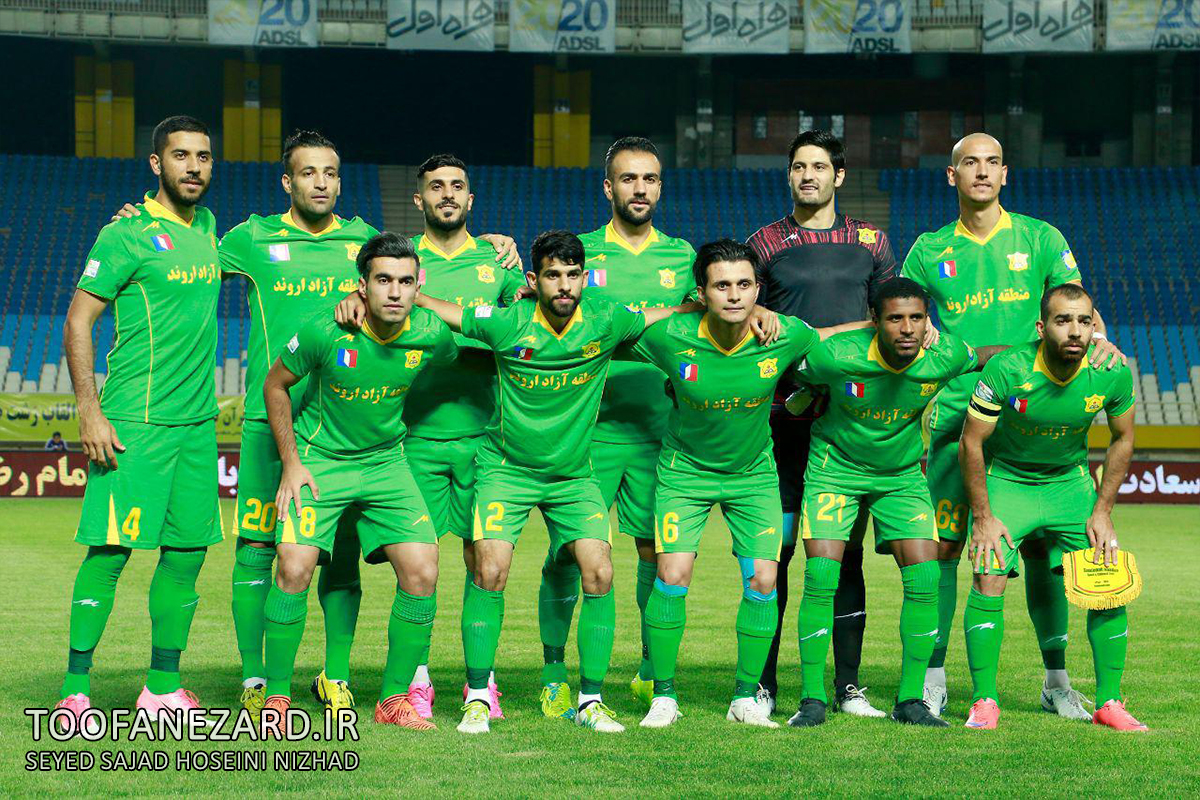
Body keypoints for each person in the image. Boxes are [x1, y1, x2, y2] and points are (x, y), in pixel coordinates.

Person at [116, 137, 520, 720]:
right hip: (276, 423)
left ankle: (339, 677)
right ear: (288, 181)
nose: (321, 182)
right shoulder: (248, 238)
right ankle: (259, 681)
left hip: (361, 432)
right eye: (308, 172)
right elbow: (187, 258)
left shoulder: (364, 241)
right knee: (262, 552)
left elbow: (412, 275)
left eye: (331, 172)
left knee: (345, 557)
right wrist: (144, 218)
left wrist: (498, 245)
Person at [413, 230, 748, 734]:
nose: (564, 285)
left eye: (573, 275)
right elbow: (452, 313)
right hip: (507, 470)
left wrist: (719, 309)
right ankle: (478, 696)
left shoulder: (605, 319)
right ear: (534, 280)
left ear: (585, 278)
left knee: (600, 571)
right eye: (553, 275)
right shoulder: (507, 321)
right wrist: (410, 296)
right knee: (490, 569)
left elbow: (661, 315)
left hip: (573, 476)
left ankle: (590, 700)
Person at [902, 133, 1124, 719]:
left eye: (992, 162)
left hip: (1031, 413)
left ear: (1006, 174)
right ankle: (934, 677)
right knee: (947, 548)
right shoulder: (928, 249)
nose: (982, 171)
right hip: (957, 415)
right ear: (952, 176)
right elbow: (907, 320)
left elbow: (1078, 306)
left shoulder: (1041, 238)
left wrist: (1101, 338)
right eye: (969, 163)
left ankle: (1056, 682)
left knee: (1048, 550)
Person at [628, 239, 859, 730]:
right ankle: (663, 696)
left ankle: (744, 697)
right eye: (722, 286)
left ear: (758, 290)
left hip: (753, 476)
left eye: (744, 285)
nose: (734, 295)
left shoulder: (783, 334)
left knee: (764, 580)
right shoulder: (670, 336)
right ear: (701, 292)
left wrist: (897, 327)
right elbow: (605, 326)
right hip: (684, 474)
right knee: (672, 575)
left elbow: (833, 335)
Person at [56, 116, 222, 729]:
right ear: (157, 163)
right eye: (181, 156)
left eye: (203, 156)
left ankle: (162, 689)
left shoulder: (209, 228)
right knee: (109, 553)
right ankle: (76, 690)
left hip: (196, 427)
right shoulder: (124, 233)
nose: (194, 167)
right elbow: (78, 321)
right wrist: (89, 409)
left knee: (186, 556)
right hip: (135, 421)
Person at [260, 232, 457, 731]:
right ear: (362, 286)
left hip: (386, 464)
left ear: (419, 286)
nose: (395, 291)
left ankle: (393, 700)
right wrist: (291, 463)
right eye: (383, 280)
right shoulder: (325, 330)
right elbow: (275, 385)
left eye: (405, 282)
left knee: (423, 570)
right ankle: (277, 697)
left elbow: (459, 362)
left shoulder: (431, 333)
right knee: (293, 567)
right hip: (320, 461)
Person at [787, 278, 1002, 729]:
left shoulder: (943, 355)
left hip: (901, 476)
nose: (907, 328)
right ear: (875, 320)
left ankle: (910, 701)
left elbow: (986, 355)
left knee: (925, 577)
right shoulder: (837, 355)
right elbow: (795, 372)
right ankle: (812, 700)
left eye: (916, 318)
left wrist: (1054, 347)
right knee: (821, 575)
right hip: (834, 470)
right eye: (895, 318)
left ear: (927, 321)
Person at [539, 136, 698, 713]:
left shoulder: (682, 257)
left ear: (660, 186)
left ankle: (649, 671)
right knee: (569, 553)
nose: (639, 188)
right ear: (608, 187)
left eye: (649, 178)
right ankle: (555, 672)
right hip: (587, 433)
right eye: (628, 178)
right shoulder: (578, 254)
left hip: (658, 432)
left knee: (655, 553)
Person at [746, 130, 900, 716]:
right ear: (789, 175)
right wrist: (760, 311)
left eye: (818, 167)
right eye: (798, 167)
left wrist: (826, 335)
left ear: (839, 176)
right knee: (778, 552)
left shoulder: (871, 242)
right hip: (783, 421)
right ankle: (764, 683)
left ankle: (848, 686)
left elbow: (890, 319)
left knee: (844, 555)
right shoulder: (764, 243)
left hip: (847, 423)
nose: (807, 175)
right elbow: (737, 307)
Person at [958, 283, 1145, 732]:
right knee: (988, 574)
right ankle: (984, 700)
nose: (1075, 331)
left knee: (1108, 579)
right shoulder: (1007, 368)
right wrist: (983, 518)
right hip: (1009, 481)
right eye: (1063, 321)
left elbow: (1123, 438)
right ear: (1042, 328)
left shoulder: (1112, 372)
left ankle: (1109, 702)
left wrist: (1102, 511)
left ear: (1094, 325)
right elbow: (971, 441)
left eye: (1084, 321)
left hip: (1069, 484)